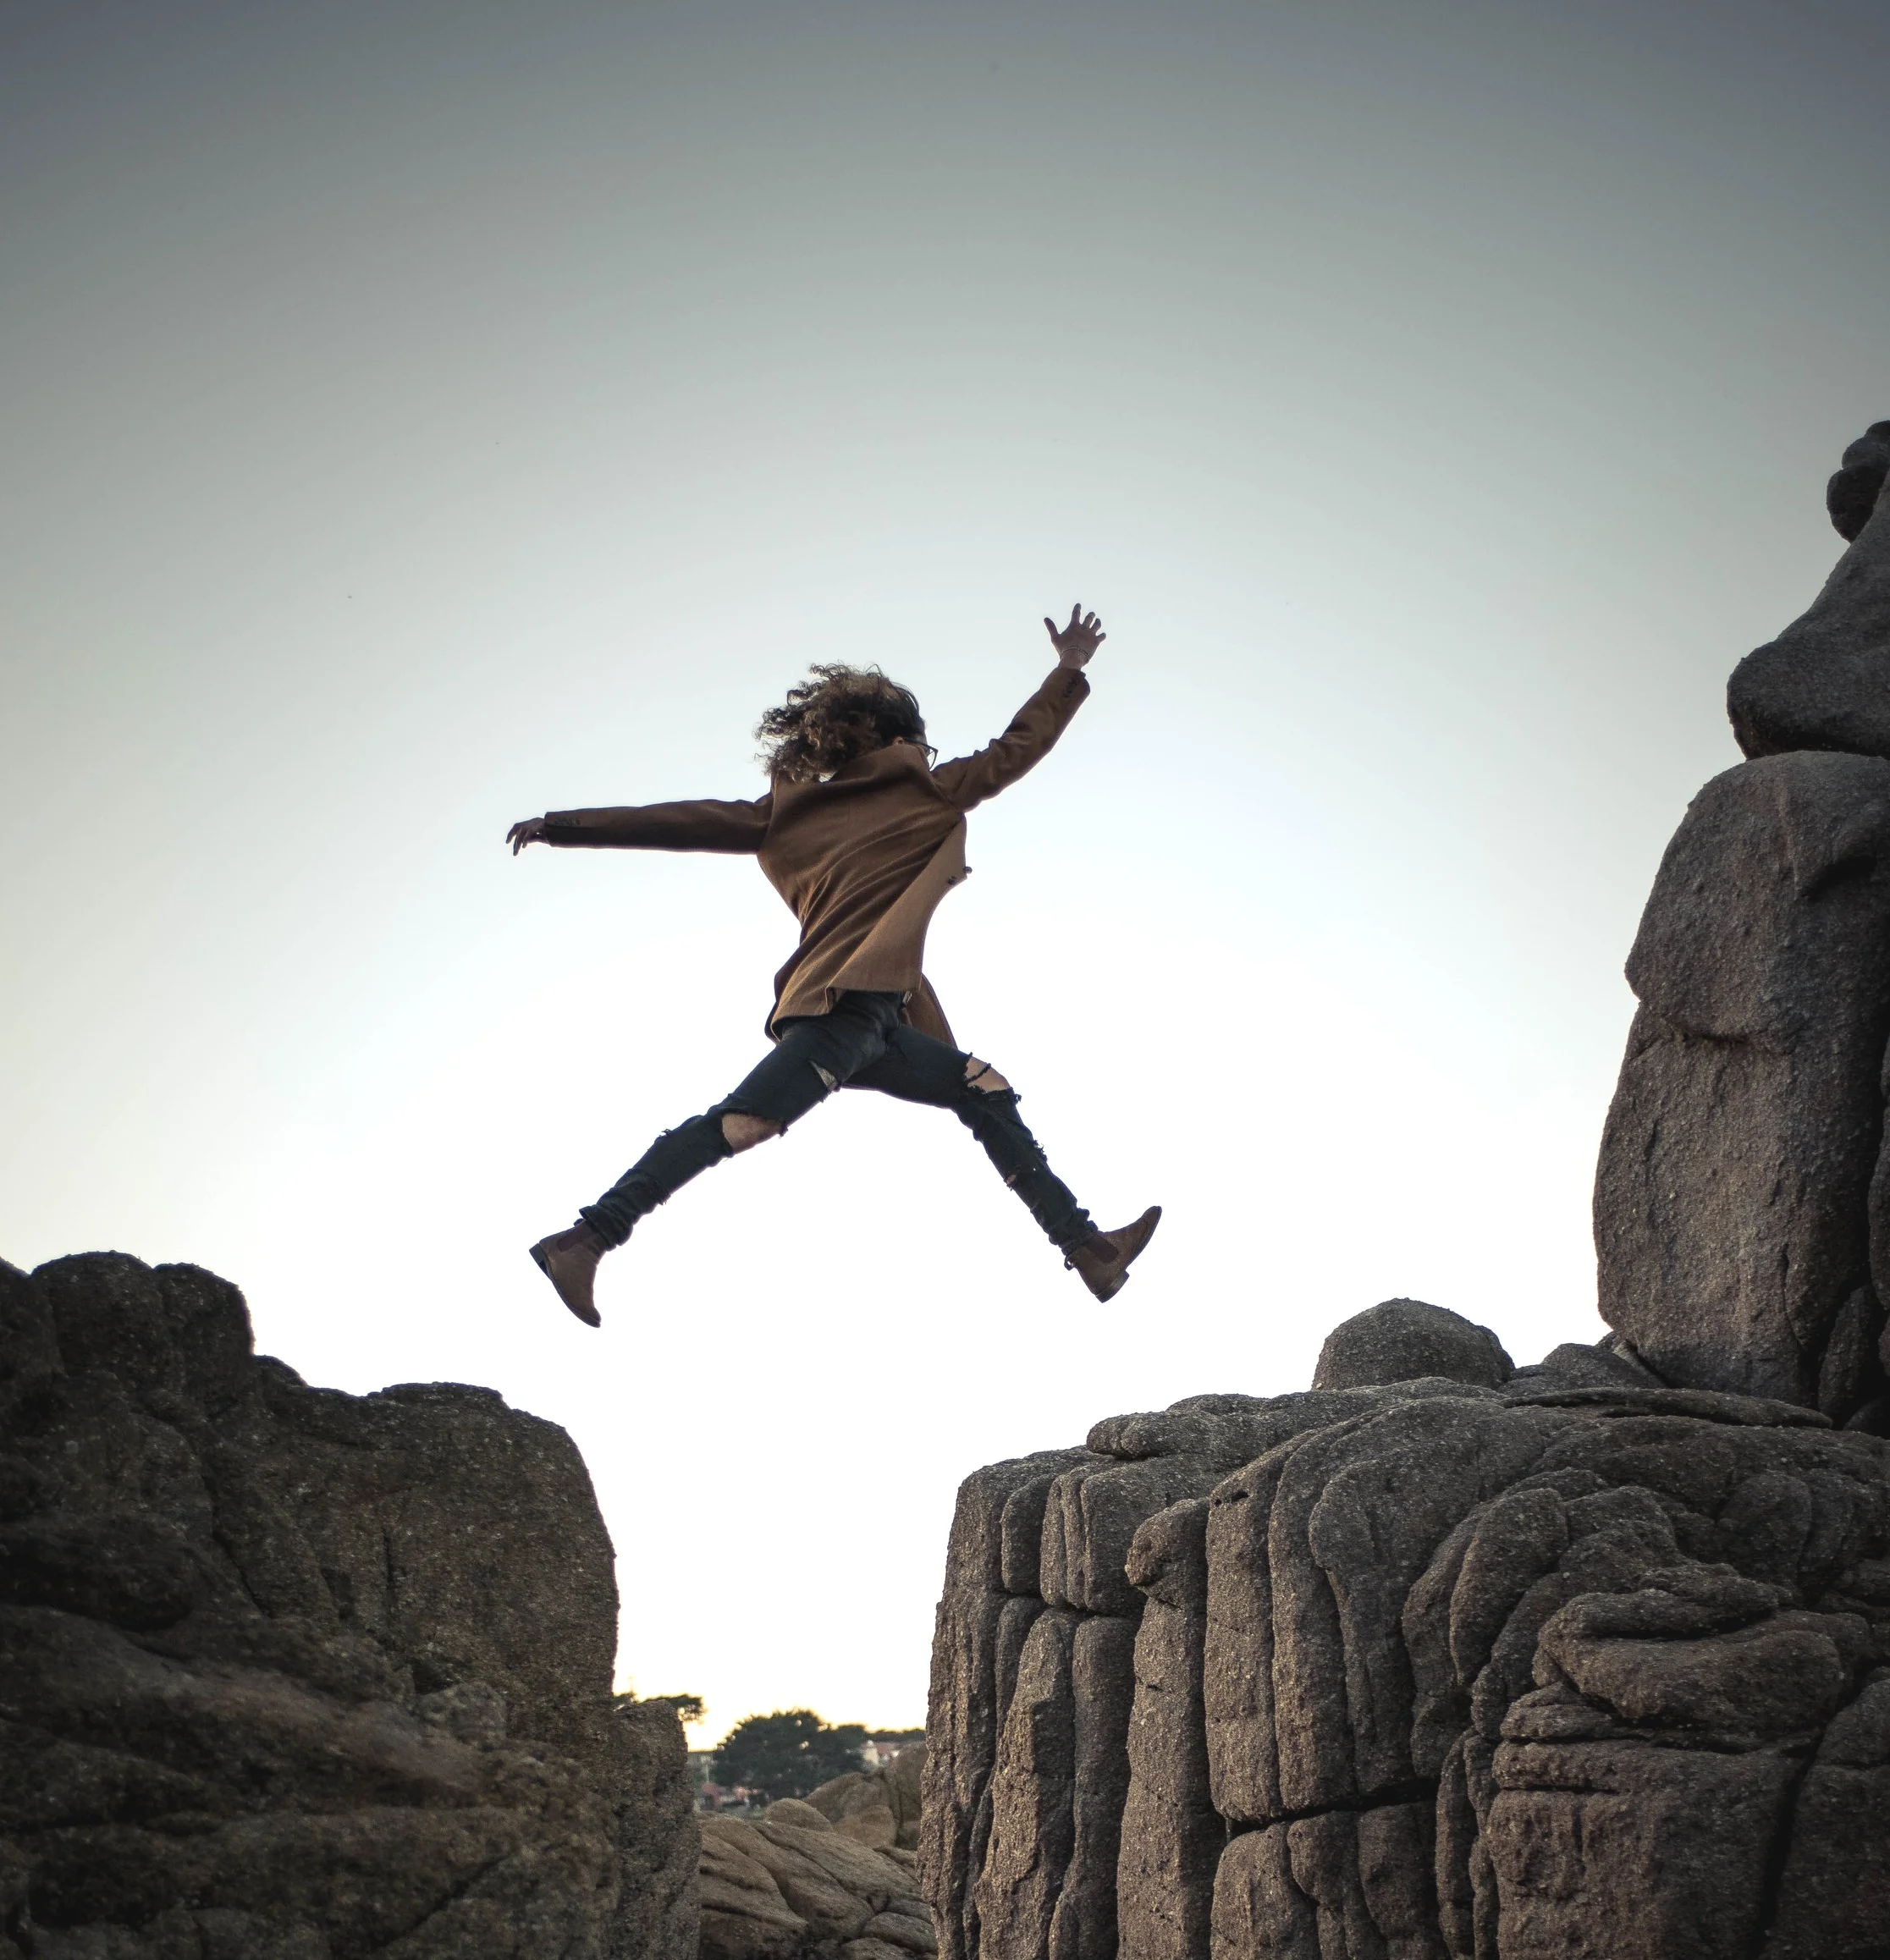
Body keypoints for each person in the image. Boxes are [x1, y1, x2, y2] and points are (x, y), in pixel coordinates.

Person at [506, 604, 1160, 1325]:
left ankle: (1088, 1250)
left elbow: (675, 818)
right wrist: (1067, 670)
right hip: (838, 1010)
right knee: (743, 1122)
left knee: (983, 1089)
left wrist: (562, 826)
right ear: (900, 738)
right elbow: (1017, 747)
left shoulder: (785, 813)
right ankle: (587, 1238)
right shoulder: (926, 789)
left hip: (881, 1016)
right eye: (919, 738)